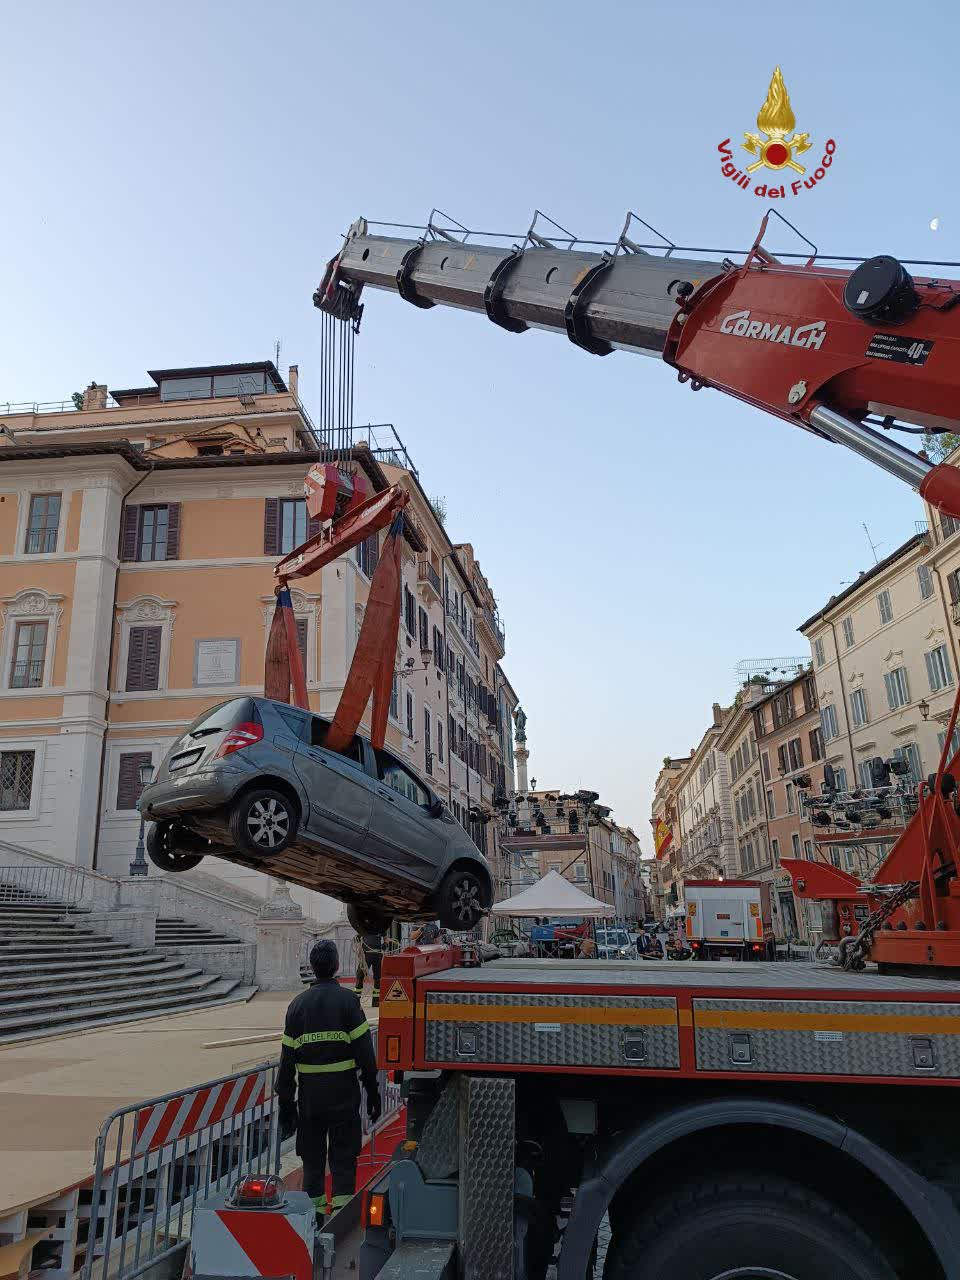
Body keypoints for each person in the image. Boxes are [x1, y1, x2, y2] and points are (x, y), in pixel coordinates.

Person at [278, 939, 381, 1221]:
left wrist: (286, 1106)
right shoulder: (348, 1002)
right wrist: (373, 1094)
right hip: (343, 1097)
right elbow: (366, 1055)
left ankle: (312, 1222)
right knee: (343, 1160)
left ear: (313, 967)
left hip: (310, 1101)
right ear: (336, 966)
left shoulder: (297, 1006)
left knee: (312, 1162)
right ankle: (340, 1220)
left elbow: (286, 1064)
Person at [354, 929, 384, 1008]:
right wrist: (358, 944)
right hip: (366, 954)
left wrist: (385, 945)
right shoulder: (365, 926)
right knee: (360, 976)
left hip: (378, 954)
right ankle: (356, 1000)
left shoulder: (381, 927)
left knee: (378, 978)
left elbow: (385, 938)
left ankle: (376, 1001)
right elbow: (357, 937)